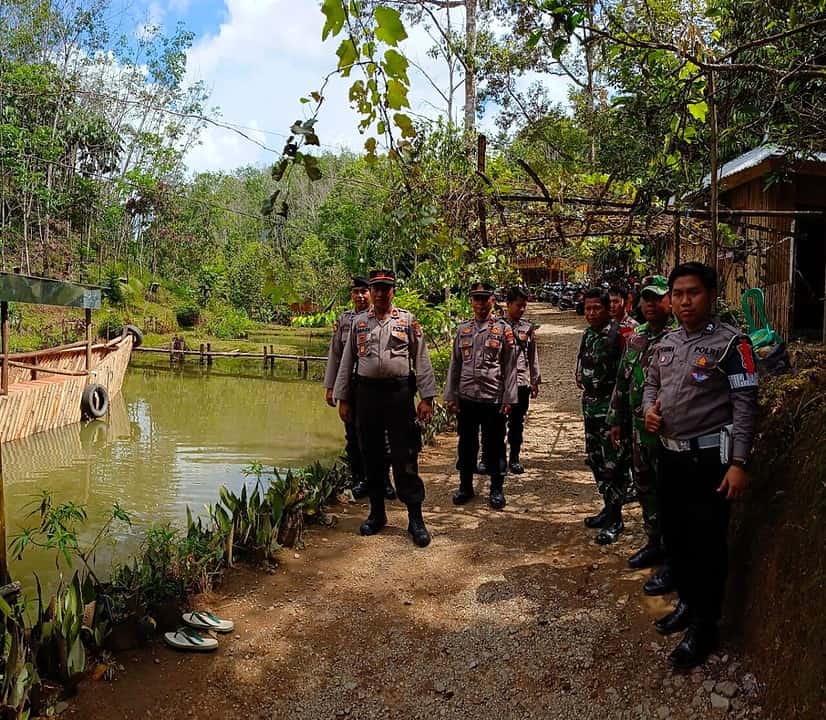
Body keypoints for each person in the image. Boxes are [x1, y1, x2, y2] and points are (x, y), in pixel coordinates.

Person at [643, 262, 758, 669]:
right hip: (671, 457)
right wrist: (648, 412)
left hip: (710, 460)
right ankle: (689, 606)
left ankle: (705, 628)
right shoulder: (667, 342)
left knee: (708, 545)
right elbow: (651, 383)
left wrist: (739, 461)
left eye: (692, 293)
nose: (684, 301)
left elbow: (745, 405)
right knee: (676, 539)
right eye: (677, 294)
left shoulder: (732, 343)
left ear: (710, 295)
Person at [333, 269, 436, 547]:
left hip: (399, 394)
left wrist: (426, 397)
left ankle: (416, 518)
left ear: (393, 291)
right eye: (375, 288)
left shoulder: (407, 321)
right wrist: (343, 397)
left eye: (384, 288)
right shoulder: (358, 323)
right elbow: (346, 362)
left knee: (405, 455)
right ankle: (377, 514)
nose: (379, 293)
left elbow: (421, 359)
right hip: (366, 394)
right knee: (371, 454)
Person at [607, 275, 677, 595]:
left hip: (668, 435)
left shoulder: (678, 339)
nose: (651, 304)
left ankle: (673, 557)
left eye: (657, 298)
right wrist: (616, 420)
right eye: (646, 298)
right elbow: (623, 383)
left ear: (669, 302)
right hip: (638, 432)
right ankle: (654, 542)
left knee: (670, 495)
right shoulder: (635, 338)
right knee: (646, 486)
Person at [445, 281, 518, 509]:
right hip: (467, 397)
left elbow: (510, 366)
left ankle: (496, 489)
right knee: (466, 444)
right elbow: (455, 365)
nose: (480, 303)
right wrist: (451, 395)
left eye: (484, 298)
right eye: (476, 298)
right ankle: (465, 486)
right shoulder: (463, 329)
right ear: (471, 301)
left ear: (492, 300)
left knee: (495, 444)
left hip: (492, 397)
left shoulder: (503, 329)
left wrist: (509, 397)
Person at [324, 277, 394, 501]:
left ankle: (384, 480)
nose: (360, 296)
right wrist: (331, 387)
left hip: (375, 387)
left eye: (364, 291)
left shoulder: (382, 317)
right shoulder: (344, 321)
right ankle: (359, 480)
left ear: (371, 293)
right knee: (353, 437)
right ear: (351, 295)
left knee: (382, 437)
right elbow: (335, 355)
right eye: (356, 292)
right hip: (351, 387)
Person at [576, 288, 628, 544]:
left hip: (610, 410)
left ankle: (616, 518)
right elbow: (581, 365)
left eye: (597, 308)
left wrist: (617, 415)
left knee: (613, 465)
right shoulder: (587, 335)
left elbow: (624, 377)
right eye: (587, 308)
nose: (592, 313)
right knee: (595, 460)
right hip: (590, 407)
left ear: (608, 309)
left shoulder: (619, 335)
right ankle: (607, 507)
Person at [503, 286, 541, 473]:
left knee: (517, 423)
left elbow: (532, 355)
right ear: (508, 304)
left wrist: (535, 379)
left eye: (524, 306)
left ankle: (514, 458)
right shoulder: (497, 326)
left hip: (521, 382)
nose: (522, 309)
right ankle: (495, 457)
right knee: (497, 423)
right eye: (519, 305)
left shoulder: (527, 327)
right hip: (501, 383)